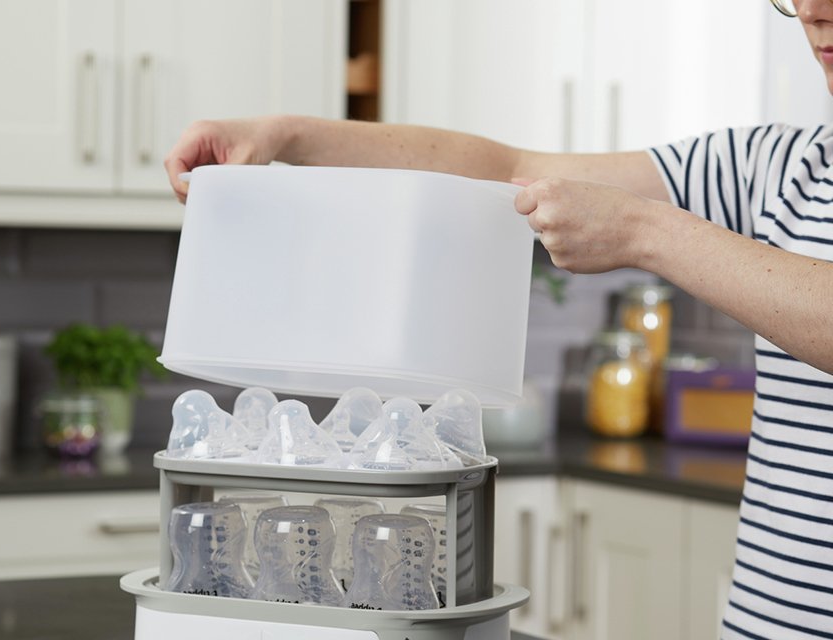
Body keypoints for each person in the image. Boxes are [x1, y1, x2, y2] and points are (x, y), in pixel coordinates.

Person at [164, 0, 833, 636]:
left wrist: (649, 233)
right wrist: (286, 136)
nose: (812, 10)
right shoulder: (776, 169)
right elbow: (507, 171)